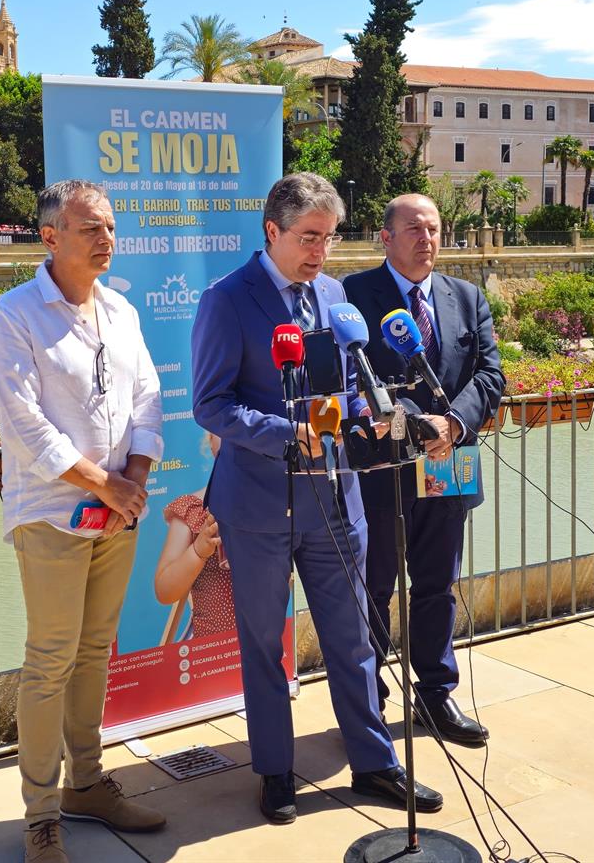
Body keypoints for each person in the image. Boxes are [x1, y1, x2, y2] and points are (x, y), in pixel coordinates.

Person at [191, 171, 441, 826]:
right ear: (271, 231)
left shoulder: (334, 297)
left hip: (337, 499)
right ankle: (275, 772)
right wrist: (283, 433)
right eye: (308, 237)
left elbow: (350, 387)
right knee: (263, 646)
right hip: (259, 507)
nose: (320, 253)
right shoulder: (227, 300)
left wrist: (372, 413)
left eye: (329, 239)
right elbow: (211, 405)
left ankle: (374, 760)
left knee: (354, 639)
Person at [0, 179, 168, 863]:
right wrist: (105, 485)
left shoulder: (121, 311)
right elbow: (25, 426)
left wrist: (135, 480)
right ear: (50, 236)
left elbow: (148, 396)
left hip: (118, 514)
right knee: (50, 662)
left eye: (110, 226)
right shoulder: (13, 317)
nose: (106, 238)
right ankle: (41, 815)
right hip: (52, 517)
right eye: (90, 227)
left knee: (93, 654)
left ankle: (87, 784)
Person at [345, 194, 505, 748]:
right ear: (385, 237)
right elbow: (352, 381)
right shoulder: (352, 297)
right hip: (383, 472)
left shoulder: (467, 297)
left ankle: (435, 697)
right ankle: (370, 706)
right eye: (414, 229)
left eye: (434, 229)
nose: (427, 239)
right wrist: (415, 424)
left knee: (437, 586)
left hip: (448, 467)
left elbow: (489, 376)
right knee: (374, 587)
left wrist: (453, 424)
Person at [153, 433, 234, 641]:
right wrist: (199, 550)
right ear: (209, 439)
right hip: (212, 654)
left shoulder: (274, 503)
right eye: (223, 424)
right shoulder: (192, 509)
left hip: (268, 648)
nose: (235, 432)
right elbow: (164, 591)